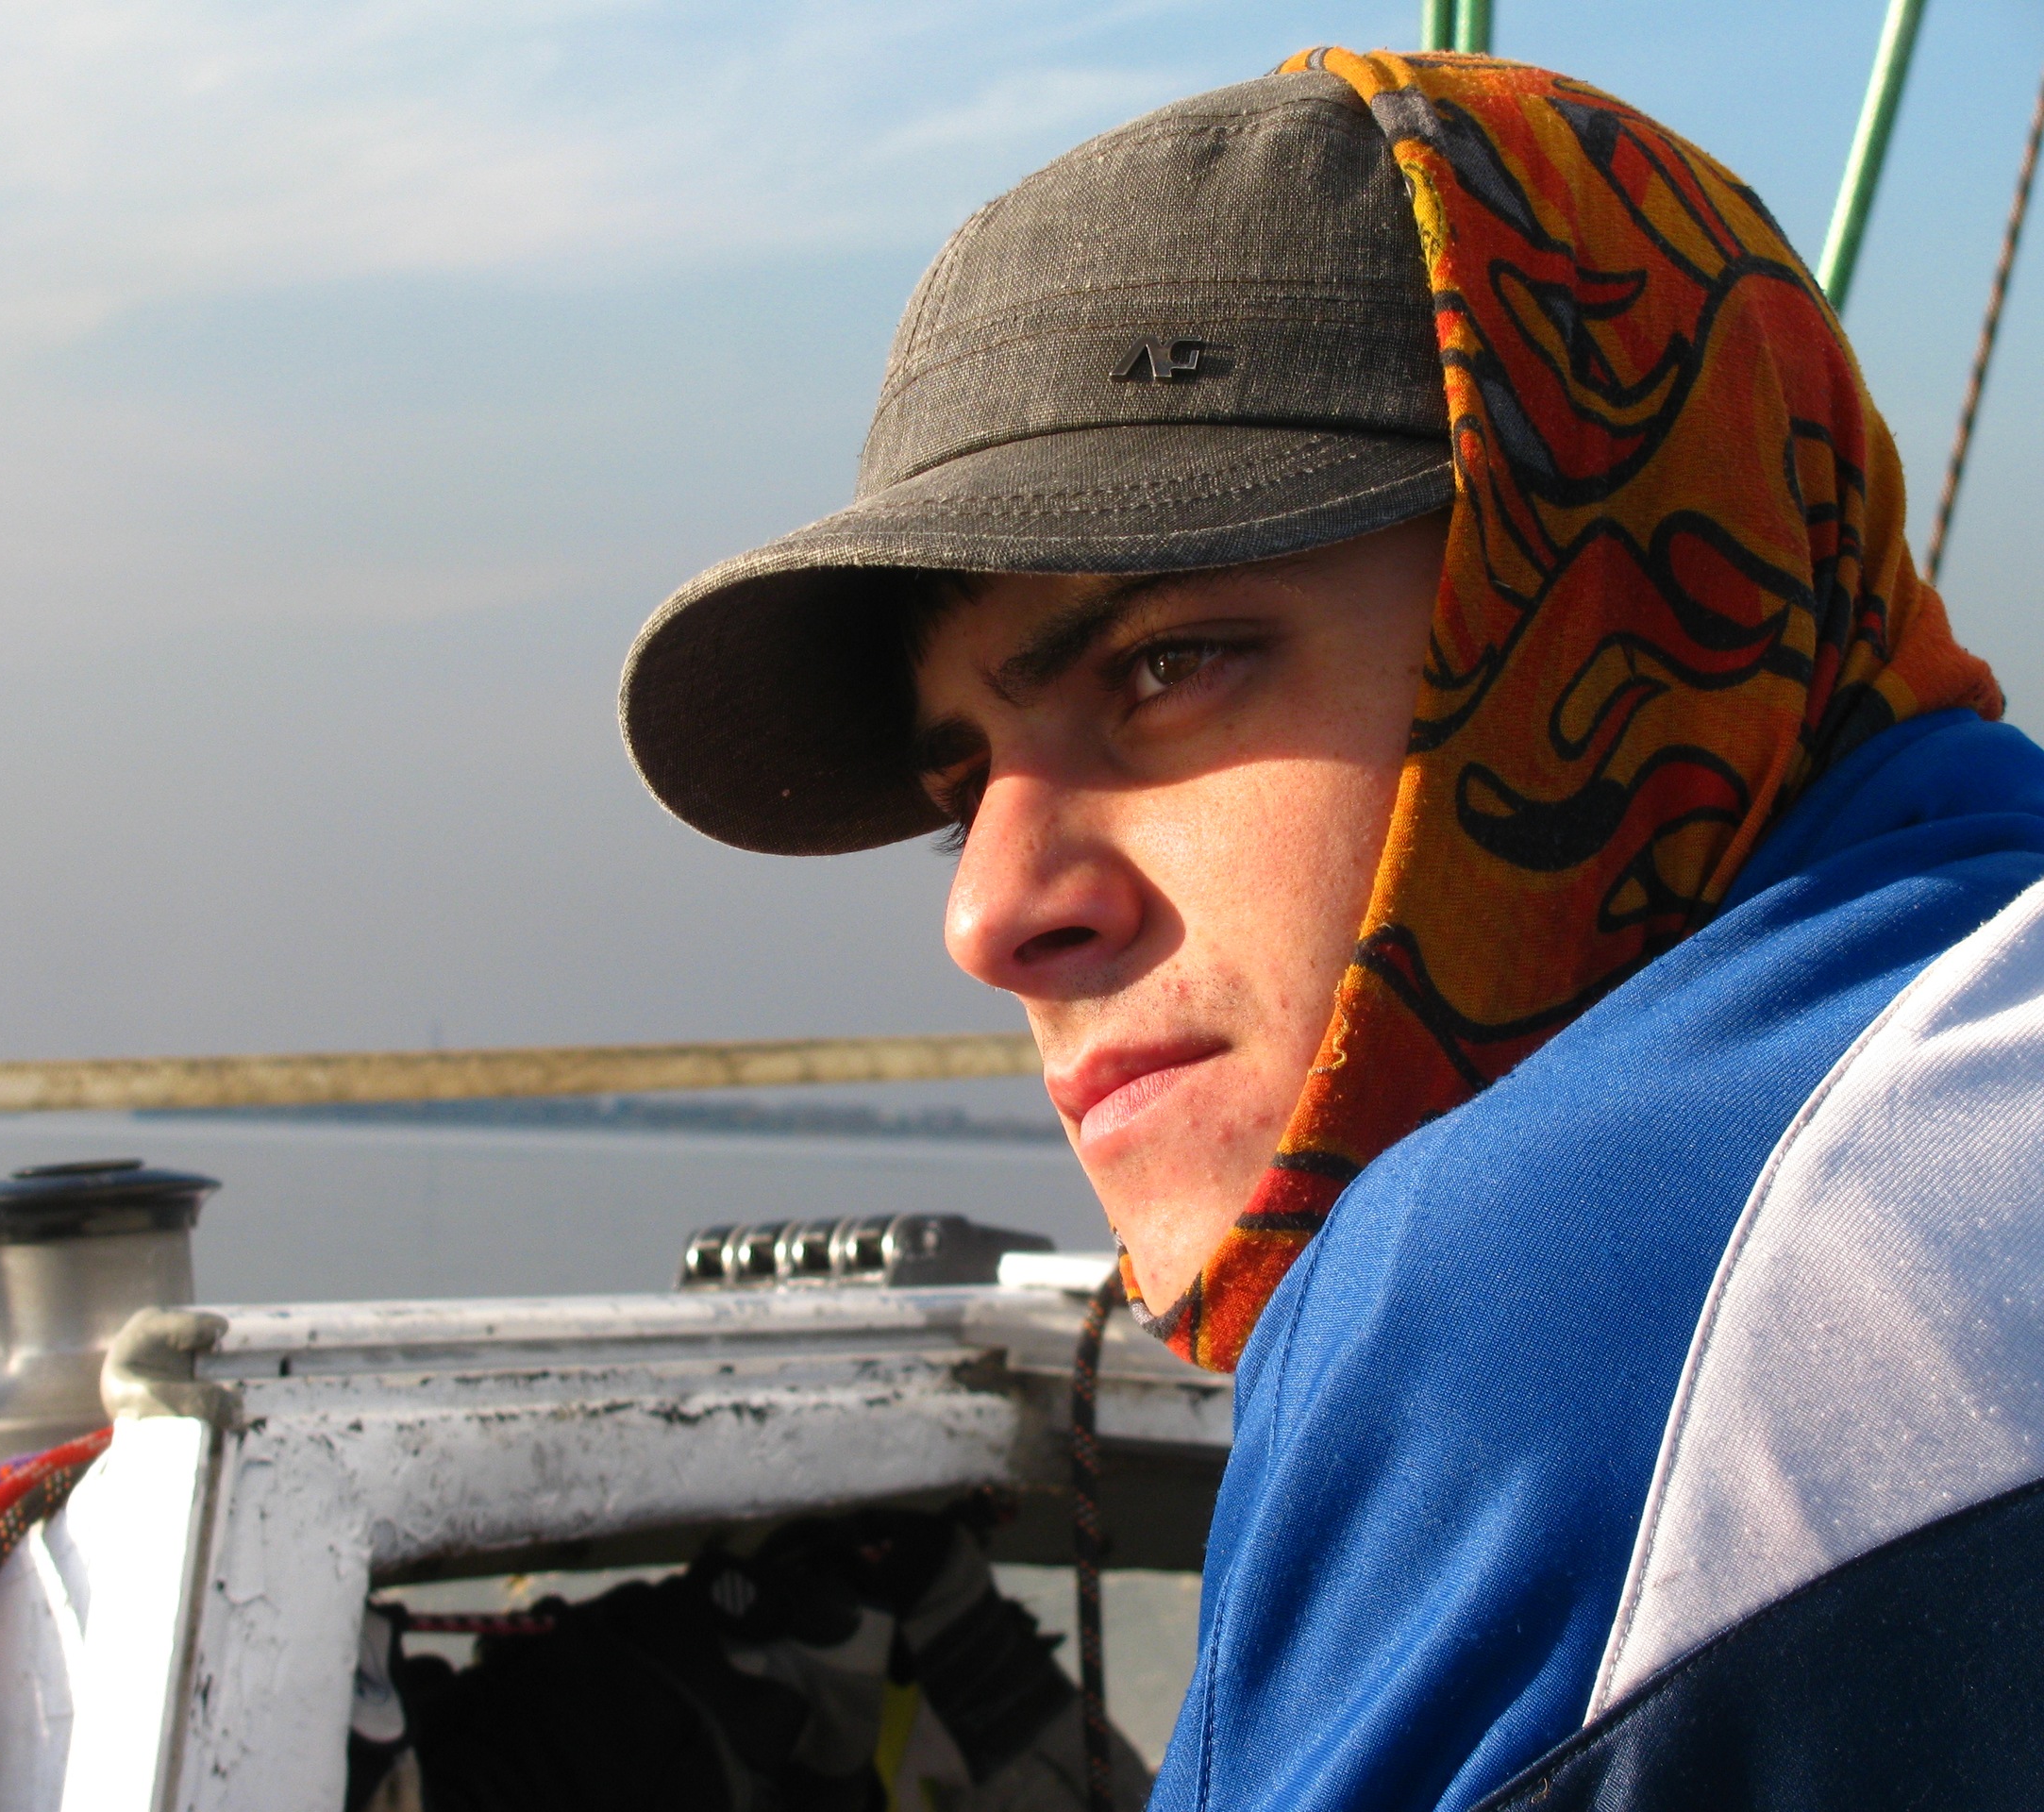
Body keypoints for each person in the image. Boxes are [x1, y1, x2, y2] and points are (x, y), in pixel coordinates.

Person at [621, 48, 2044, 1812]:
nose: (991, 913)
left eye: (1167, 665)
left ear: (1589, 593)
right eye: (959, 789)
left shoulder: (1549, 1296)